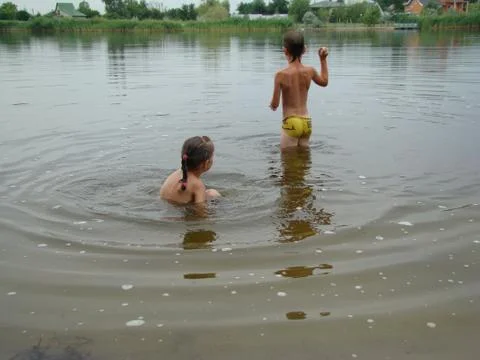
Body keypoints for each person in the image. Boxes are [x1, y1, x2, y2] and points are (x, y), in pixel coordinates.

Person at [270, 30, 329, 150]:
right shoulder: (310, 71)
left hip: (291, 122)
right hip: (306, 122)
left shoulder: (280, 75)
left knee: (288, 164)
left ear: (285, 50)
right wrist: (323, 60)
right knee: (304, 161)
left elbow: (275, 104)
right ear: (304, 50)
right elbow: (324, 82)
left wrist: (272, 105)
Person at [160, 136, 220, 204]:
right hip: (179, 212)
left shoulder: (176, 173)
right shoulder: (197, 185)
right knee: (213, 193)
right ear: (206, 163)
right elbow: (200, 212)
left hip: (168, 207)